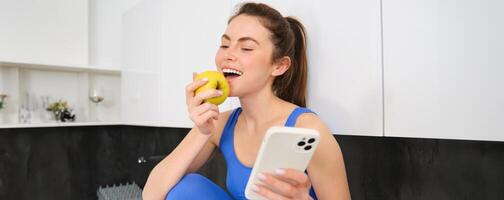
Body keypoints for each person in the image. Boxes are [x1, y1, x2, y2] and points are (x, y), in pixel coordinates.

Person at [143, 2, 351, 200]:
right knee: (187, 188)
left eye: (246, 48)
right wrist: (201, 131)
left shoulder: (308, 128)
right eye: (225, 44)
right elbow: (152, 194)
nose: (228, 55)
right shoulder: (219, 124)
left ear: (279, 66)